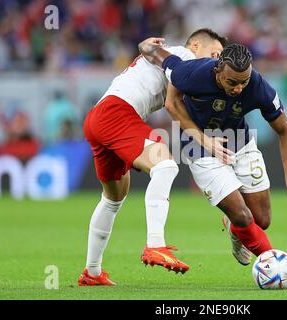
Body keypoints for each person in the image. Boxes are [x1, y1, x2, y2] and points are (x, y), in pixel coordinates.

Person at [138, 39, 287, 283]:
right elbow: (169, 94)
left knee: (262, 220)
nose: (239, 88)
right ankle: (277, 269)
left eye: (244, 82)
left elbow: (285, 131)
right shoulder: (193, 73)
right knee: (243, 215)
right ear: (217, 70)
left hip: (240, 141)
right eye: (232, 82)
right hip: (198, 147)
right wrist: (146, 46)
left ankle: (233, 228)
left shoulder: (258, 86)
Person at [78, 29, 226, 286]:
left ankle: (91, 272)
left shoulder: (172, 59)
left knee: (113, 198)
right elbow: (172, 106)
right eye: (214, 54)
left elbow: (175, 99)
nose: (215, 63)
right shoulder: (183, 56)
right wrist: (205, 140)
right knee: (166, 165)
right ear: (195, 45)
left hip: (99, 117)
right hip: (117, 112)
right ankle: (155, 244)